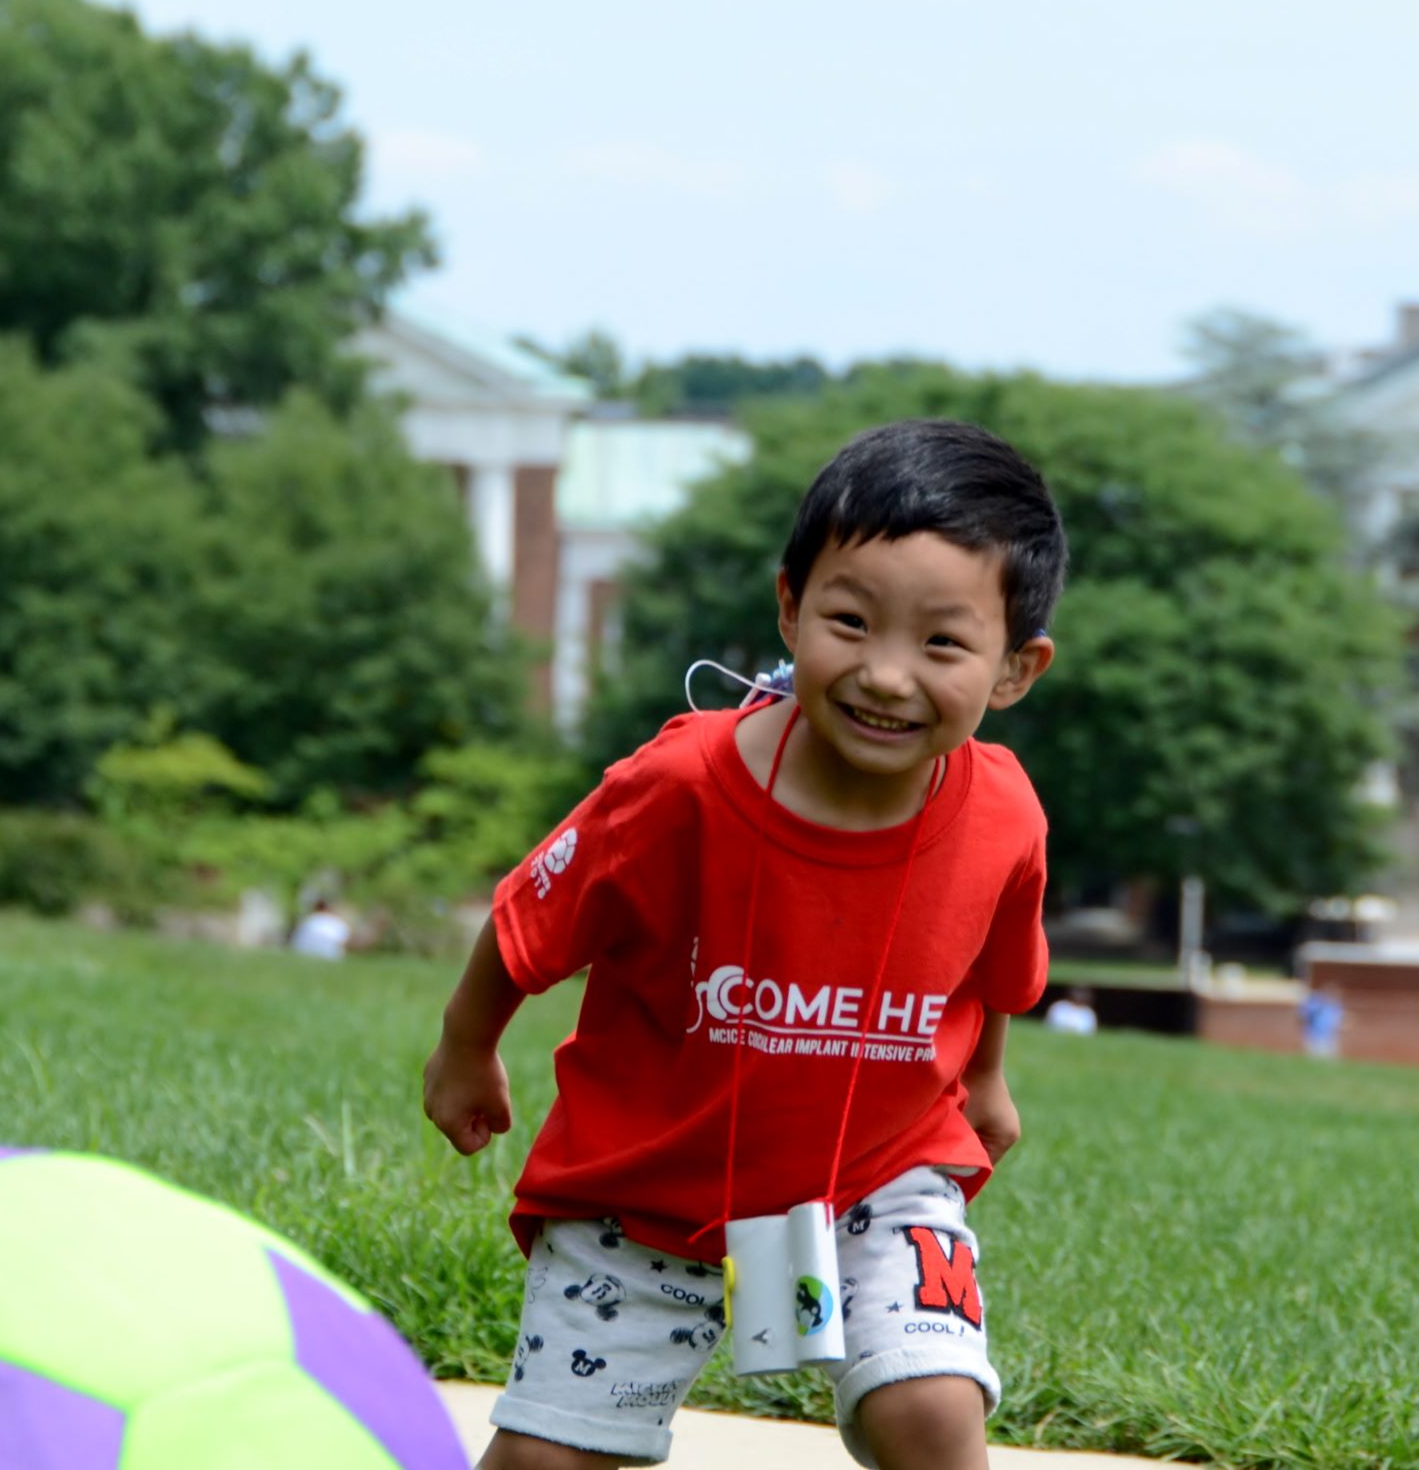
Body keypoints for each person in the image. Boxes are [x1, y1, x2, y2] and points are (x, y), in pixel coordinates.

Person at [421, 420, 1063, 1470]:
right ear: (788, 607)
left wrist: (984, 1082)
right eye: (850, 622)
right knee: (552, 1459)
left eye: (942, 643)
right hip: (645, 1187)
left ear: (1014, 669)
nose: (888, 676)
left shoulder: (1003, 815)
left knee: (934, 1413)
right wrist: (464, 1043)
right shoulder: (678, 790)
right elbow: (530, 917)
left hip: (880, 1176)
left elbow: (986, 969)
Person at [1299, 984, 1346, 1059]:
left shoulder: (1336, 1007)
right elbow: (1303, 1017)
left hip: (1329, 1038)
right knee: (1314, 1059)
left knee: (1330, 1060)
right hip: (1314, 1037)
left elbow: (1339, 1022)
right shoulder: (1316, 1004)